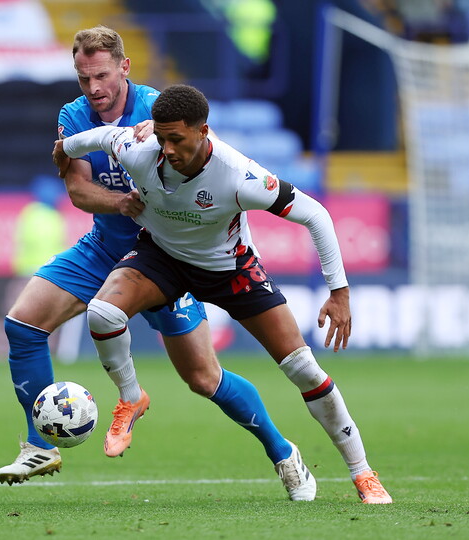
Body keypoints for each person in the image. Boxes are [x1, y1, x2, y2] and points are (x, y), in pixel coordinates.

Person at [0, 26, 316, 502]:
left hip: (167, 256)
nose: (94, 89)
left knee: (203, 378)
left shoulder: (161, 112)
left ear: (124, 67)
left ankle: (283, 452)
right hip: (106, 248)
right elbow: (78, 189)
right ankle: (41, 445)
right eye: (83, 79)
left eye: (101, 76)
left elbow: (213, 167)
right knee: (22, 324)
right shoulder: (73, 114)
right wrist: (119, 202)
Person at [53, 83, 393, 504]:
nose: (168, 149)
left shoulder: (239, 175)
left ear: (203, 131)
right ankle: (130, 398)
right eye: (162, 138)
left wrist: (339, 292)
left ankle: (363, 474)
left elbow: (316, 215)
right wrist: (66, 148)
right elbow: (99, 137)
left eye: (177, 139)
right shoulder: (138, 150)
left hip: (229, 269)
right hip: (163, 257)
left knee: (303, 368)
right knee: (103, 312)